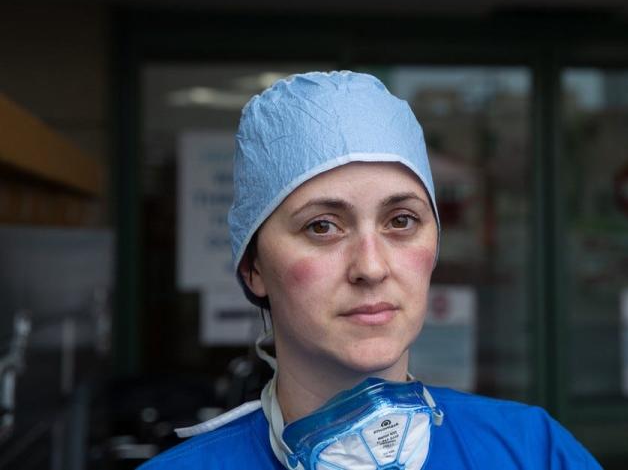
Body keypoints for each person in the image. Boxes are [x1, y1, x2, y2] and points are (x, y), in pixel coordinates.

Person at [140, 71, 602, 469]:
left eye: (401, 221)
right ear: (253, 267)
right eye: (322, 226)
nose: (371, 266)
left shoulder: (531, 453)